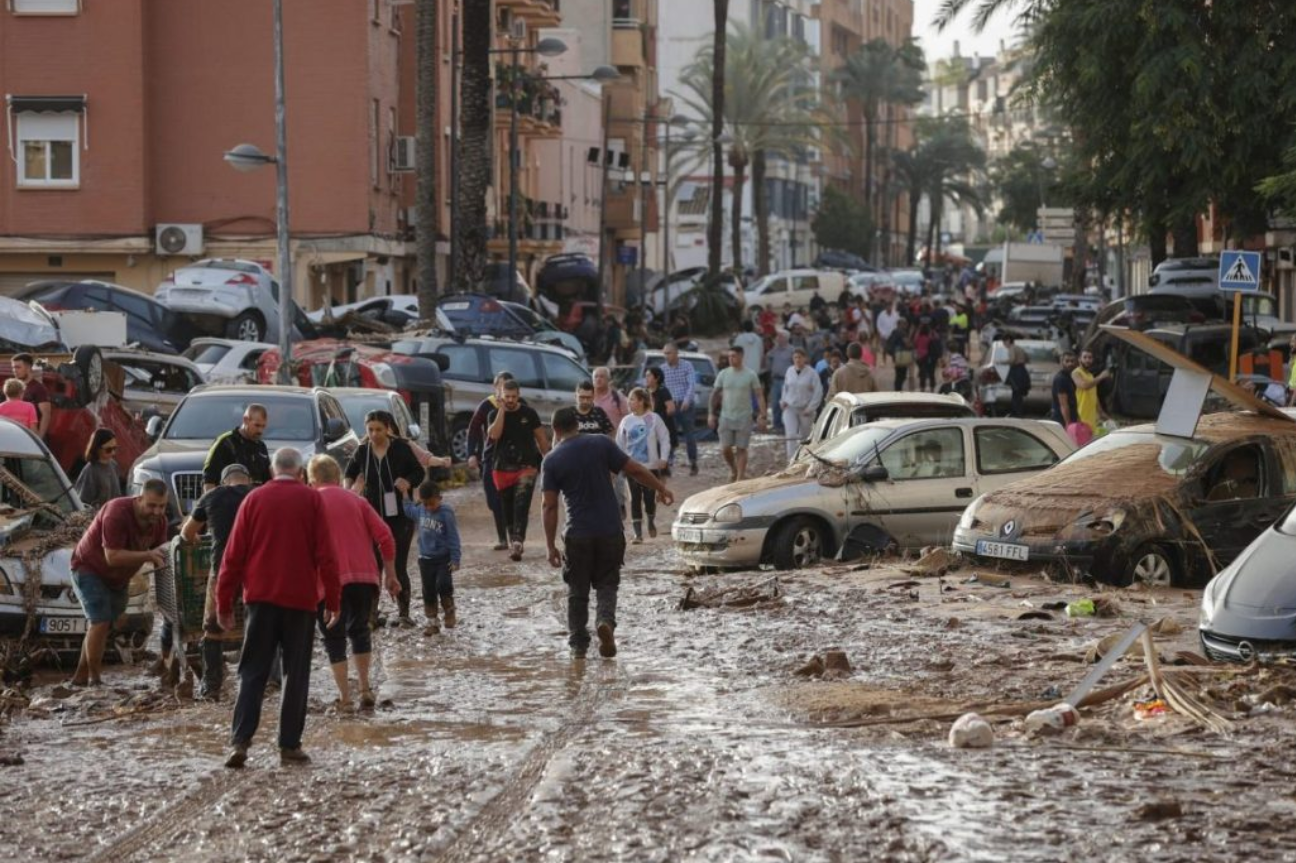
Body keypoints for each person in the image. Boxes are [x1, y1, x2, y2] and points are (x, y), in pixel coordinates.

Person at [218, 447, 340, 768]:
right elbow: (326, 554)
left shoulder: (254, 500)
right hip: (300, 601)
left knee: (252, 671)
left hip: (259, 600)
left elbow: (232, 557)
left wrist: (223, 602)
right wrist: (333, 600)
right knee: (295, 674)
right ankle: (288, 746)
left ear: (273, 472)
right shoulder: (312, 500)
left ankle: (240, 743)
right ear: (301, 473)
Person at [542, 407, 673, 659]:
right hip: (610, 531)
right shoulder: (601, 444)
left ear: (556, 430)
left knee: (577, 591)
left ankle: (578, 646)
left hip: (577, 534)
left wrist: (550, 546)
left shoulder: (552, 459)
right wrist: (660, 488)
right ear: (577, 425)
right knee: (607, 584)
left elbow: (549, 505)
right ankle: (605, 622)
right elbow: (634, 469)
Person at [309, 454, 398, 710]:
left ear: (312, 481)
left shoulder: (311, 503)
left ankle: (346, 698)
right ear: (338, 478)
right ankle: (365, 688)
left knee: (333, 637)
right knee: (359, 630)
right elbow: (386, 537)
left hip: (327, 583)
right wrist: (390, 574)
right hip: (364, 579)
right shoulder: (358, 501)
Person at [68, 480, 170, 687]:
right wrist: (148, 554)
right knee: (100, 621)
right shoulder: (117, 512)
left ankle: (79, 678)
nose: (157, 512)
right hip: (89, 567)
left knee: (104, 625)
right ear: (139, 499)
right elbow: (112, 557)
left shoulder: (160, 521)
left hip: (119, 577)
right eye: (151, 505)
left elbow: (162, 553)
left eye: (162, 506)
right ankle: (95, 682)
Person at [180, 463, 255, 701]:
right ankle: (268, 681)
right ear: (248, 479)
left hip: (224, 568)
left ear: (224, 482)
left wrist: (195, 539)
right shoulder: (258, 494)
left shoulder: (211, 496)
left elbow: (186, 533)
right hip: (258, 569)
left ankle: (211, 687)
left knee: (213, 628)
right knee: (261, 624)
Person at [345, 410, 426, 626]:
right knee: (373, 566)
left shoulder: (401, 448)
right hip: (371, 515)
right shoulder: (362, 451)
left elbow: (419, 472)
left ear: (388, 428)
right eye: (370, 430)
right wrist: (350, 490)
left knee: (398, 564)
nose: (374, 434)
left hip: (400, 515)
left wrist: (408, 482)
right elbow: (349, 472)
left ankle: (403, 613)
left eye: (379, 430)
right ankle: (371, 614)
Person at [487, 379, 550, 560]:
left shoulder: (529, 413)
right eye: (507, 396)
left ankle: (517, 542)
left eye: (514, 396)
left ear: (519, 395)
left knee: (521, 504)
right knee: (507, 507)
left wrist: (549, 460)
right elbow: (494, 435)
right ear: (501, 396)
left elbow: (541, 439)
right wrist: (501, 411)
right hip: (502, 467)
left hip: (527, 466)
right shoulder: (494, 414)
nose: (511, 400)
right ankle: (513, 540)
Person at [405, 480, 461, 636]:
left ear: (439, 498)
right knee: (428, 591)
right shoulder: (420, 510)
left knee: (443, 585)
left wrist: (455, 559)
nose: (429, 507)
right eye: (425, 504)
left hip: (443, 559)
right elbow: (408, 510)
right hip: (425, 559)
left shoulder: (446, 512)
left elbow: (453, 536)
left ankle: (449, 610)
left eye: (432, 503)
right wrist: (404, 494)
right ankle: (432, 622)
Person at [616, 388, 671, 542]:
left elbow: (665, 438)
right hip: (631, 467)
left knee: (649, 497)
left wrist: (664, 458)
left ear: (641, 401)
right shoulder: (626, 421)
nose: (629, 402)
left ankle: (651, 521)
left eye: (632, 399)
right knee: (634, 498)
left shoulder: (654, 419)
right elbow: (620, 444)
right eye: (629, 399)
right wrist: (618, 464)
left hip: (651, 467)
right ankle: (638, 534)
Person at [468, 372, 514, 550]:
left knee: (510, 498)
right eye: (501, 387)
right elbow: (472, 430)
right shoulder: (486, 406)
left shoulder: (519, 406)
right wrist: (471, 453)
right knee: (493, 501)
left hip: (512, 460)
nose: (504, 392)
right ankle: (503, 536)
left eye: (507, 387)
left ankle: (510, 537)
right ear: (495, 388)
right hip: (490, 458)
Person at [709, 346, 766, 482]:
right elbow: (714, 394)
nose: (731, 359)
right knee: (725, 448)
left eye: (733, 356)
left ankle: (740, 477)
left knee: (741, 448)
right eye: (729, 356)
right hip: (726, 416)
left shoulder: (750, 374)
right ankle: (733, 469)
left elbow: (759, 395)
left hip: (744, 416)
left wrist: (762, 415)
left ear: (741, 356)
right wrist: (711, 414)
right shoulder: (723, 374)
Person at [203, 404, 271, 491]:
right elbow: (209, 479)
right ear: (245, 420)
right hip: (229, 500)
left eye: (263, 426)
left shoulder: (261, 447)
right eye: (257, 425)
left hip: (254, 500)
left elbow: (267, 480)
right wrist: (211, 502)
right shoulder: (225, 442)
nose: (260, 431)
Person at [659, 344, 699, 476]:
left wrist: (687, 400)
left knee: (689, 435)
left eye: (669, 353)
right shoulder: (662, 369)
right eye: (665, 353)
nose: (666, 356)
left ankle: (693, 462)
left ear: (676, 353)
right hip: (670, 405)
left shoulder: (687, 366)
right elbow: (660, 388)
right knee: (668, 435)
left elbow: (691, 384)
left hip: (685, 404)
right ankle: (667, 464)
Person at [780, 348, 823, 460]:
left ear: (805, 358)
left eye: (800, 357)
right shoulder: (789, 371)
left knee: (805, 436)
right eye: (795, 357)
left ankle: (805, 458)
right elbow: (785, 388)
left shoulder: (812, 373)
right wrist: (783, 400)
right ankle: (791, 459)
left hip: (805, 409)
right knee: (791, 435)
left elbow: (818, 392)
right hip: (790, 407)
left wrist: (810, 408)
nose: (798, 360)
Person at [73, 429, 123, 509]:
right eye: (108, 450)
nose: (113, 453)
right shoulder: (90, 471)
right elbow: (82, 502)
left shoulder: (113, 465)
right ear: (97, 448)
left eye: (115, 448)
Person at [643, 367, 677, 470]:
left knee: (662, 461)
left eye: (649, 375)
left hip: (663, 428)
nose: (647, 378)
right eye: (646, 376)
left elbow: (671, 409)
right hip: (648, 430)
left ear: (656, 378)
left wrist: (658, 418)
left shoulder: (663, 390)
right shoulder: (645, 392)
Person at [10, 354, 51, 439]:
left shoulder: (38, 388)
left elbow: (46, 414)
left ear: (28, 368)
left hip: (31, 435)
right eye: (13, 367)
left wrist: (39, 437)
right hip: (14, 434)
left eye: (18, 367)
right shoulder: (13, 387)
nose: (14, 370)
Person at [1072, 349, 1112, 434]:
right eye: (1085, 357)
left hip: (1092, 419)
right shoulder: (1076, 373)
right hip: (1080, 417)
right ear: (1079, 359)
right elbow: (1084, 386)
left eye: (1090, 358)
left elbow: (1094, 396)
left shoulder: (1090, 376)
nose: (1087, 360)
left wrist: (1102, 413)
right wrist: (1101, 376)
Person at [764, 331, 795, 433]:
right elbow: (767, 359)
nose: (778, 338)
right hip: (775, 380)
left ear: (786, 338)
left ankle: (787, 425)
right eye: (777, 336)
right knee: (775, 403)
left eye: (780, 336)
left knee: (786, 403)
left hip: (787, 380)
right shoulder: (774, 350)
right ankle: (776, 425)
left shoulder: (792, 351)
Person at [1051, 351, 1080, 431]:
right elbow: (1063, 404)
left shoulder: (1072, 376)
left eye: (1072, 361)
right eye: (1067, 361)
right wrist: (1068, 423)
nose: (1070, 364)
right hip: (1061, 419)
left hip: (1072, 416)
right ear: (1061, 362)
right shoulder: (1061, 379)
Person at [1003, 335, 1031, 418]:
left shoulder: (1011, 348)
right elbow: (1027, 358)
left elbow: (1012, 360)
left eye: (1004, 342)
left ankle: (1016, 412)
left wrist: (1001, 362)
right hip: (1022, 370)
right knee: (1018, 393)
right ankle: (1018, 412)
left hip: (1016, 371)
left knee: (1016, 393)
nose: (1004, 345)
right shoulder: (1019, 348)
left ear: (1008, 340)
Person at [732, 320, 765, 386]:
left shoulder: (739, 339)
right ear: (752, 328)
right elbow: (761, 355)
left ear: (743, 328)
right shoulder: (758, 339)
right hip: (755, 370)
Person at [888, 319, 915, 391]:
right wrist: (912, 344)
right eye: (904, 324)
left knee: (898, 374)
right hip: (902, 356)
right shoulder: (901, 332)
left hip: (896, 356)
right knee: (902, 375)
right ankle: (898, 390)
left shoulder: (894, 332)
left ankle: (897, 389)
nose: (906, 325)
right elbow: (908, 344)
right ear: (900, 324)